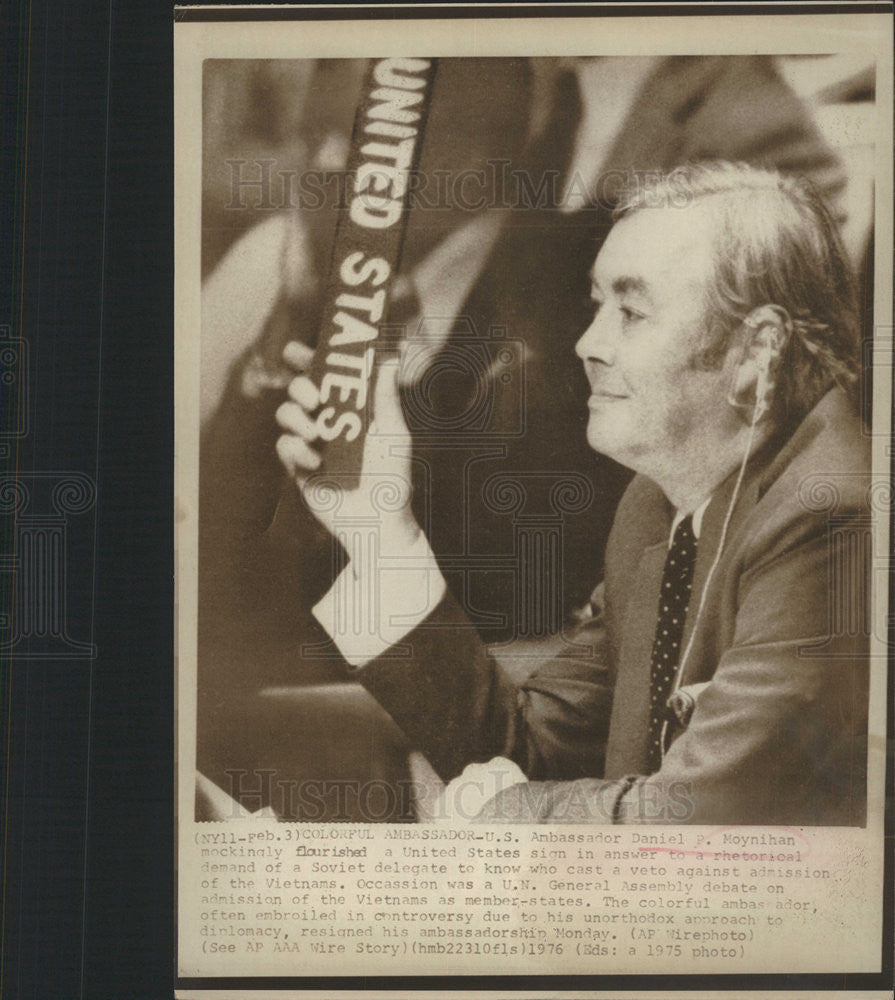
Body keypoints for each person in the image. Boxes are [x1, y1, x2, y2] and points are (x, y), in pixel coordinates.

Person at [276, 162, 870, 825]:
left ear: (755, 350)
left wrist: (493, 820)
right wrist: (379, 526)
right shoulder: (655, 507)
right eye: (596, 305)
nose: (588, 343)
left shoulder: (834, 514)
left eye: (631, 311)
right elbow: (533, 753)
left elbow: (701, 818)